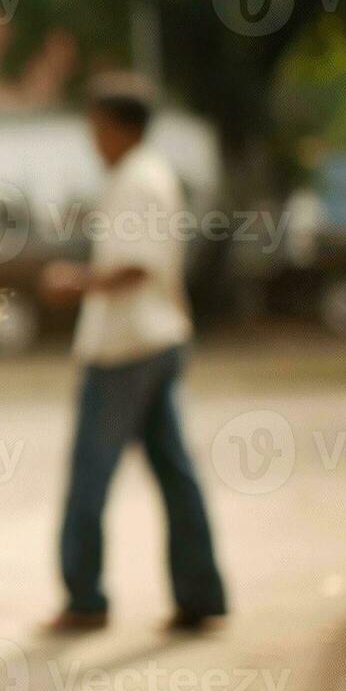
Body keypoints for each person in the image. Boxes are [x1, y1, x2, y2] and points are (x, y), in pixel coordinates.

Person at [40, 72, 228, 632]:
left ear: (122, 128)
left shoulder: (138, 181)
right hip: (158, 337)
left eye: (98, 128)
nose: (93, 140)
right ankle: (201, 594)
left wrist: (74, 282)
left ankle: (85, 597)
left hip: (128, 346)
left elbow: (135, 264)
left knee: (89, 476)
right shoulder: (148, 176)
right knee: (175, 471)